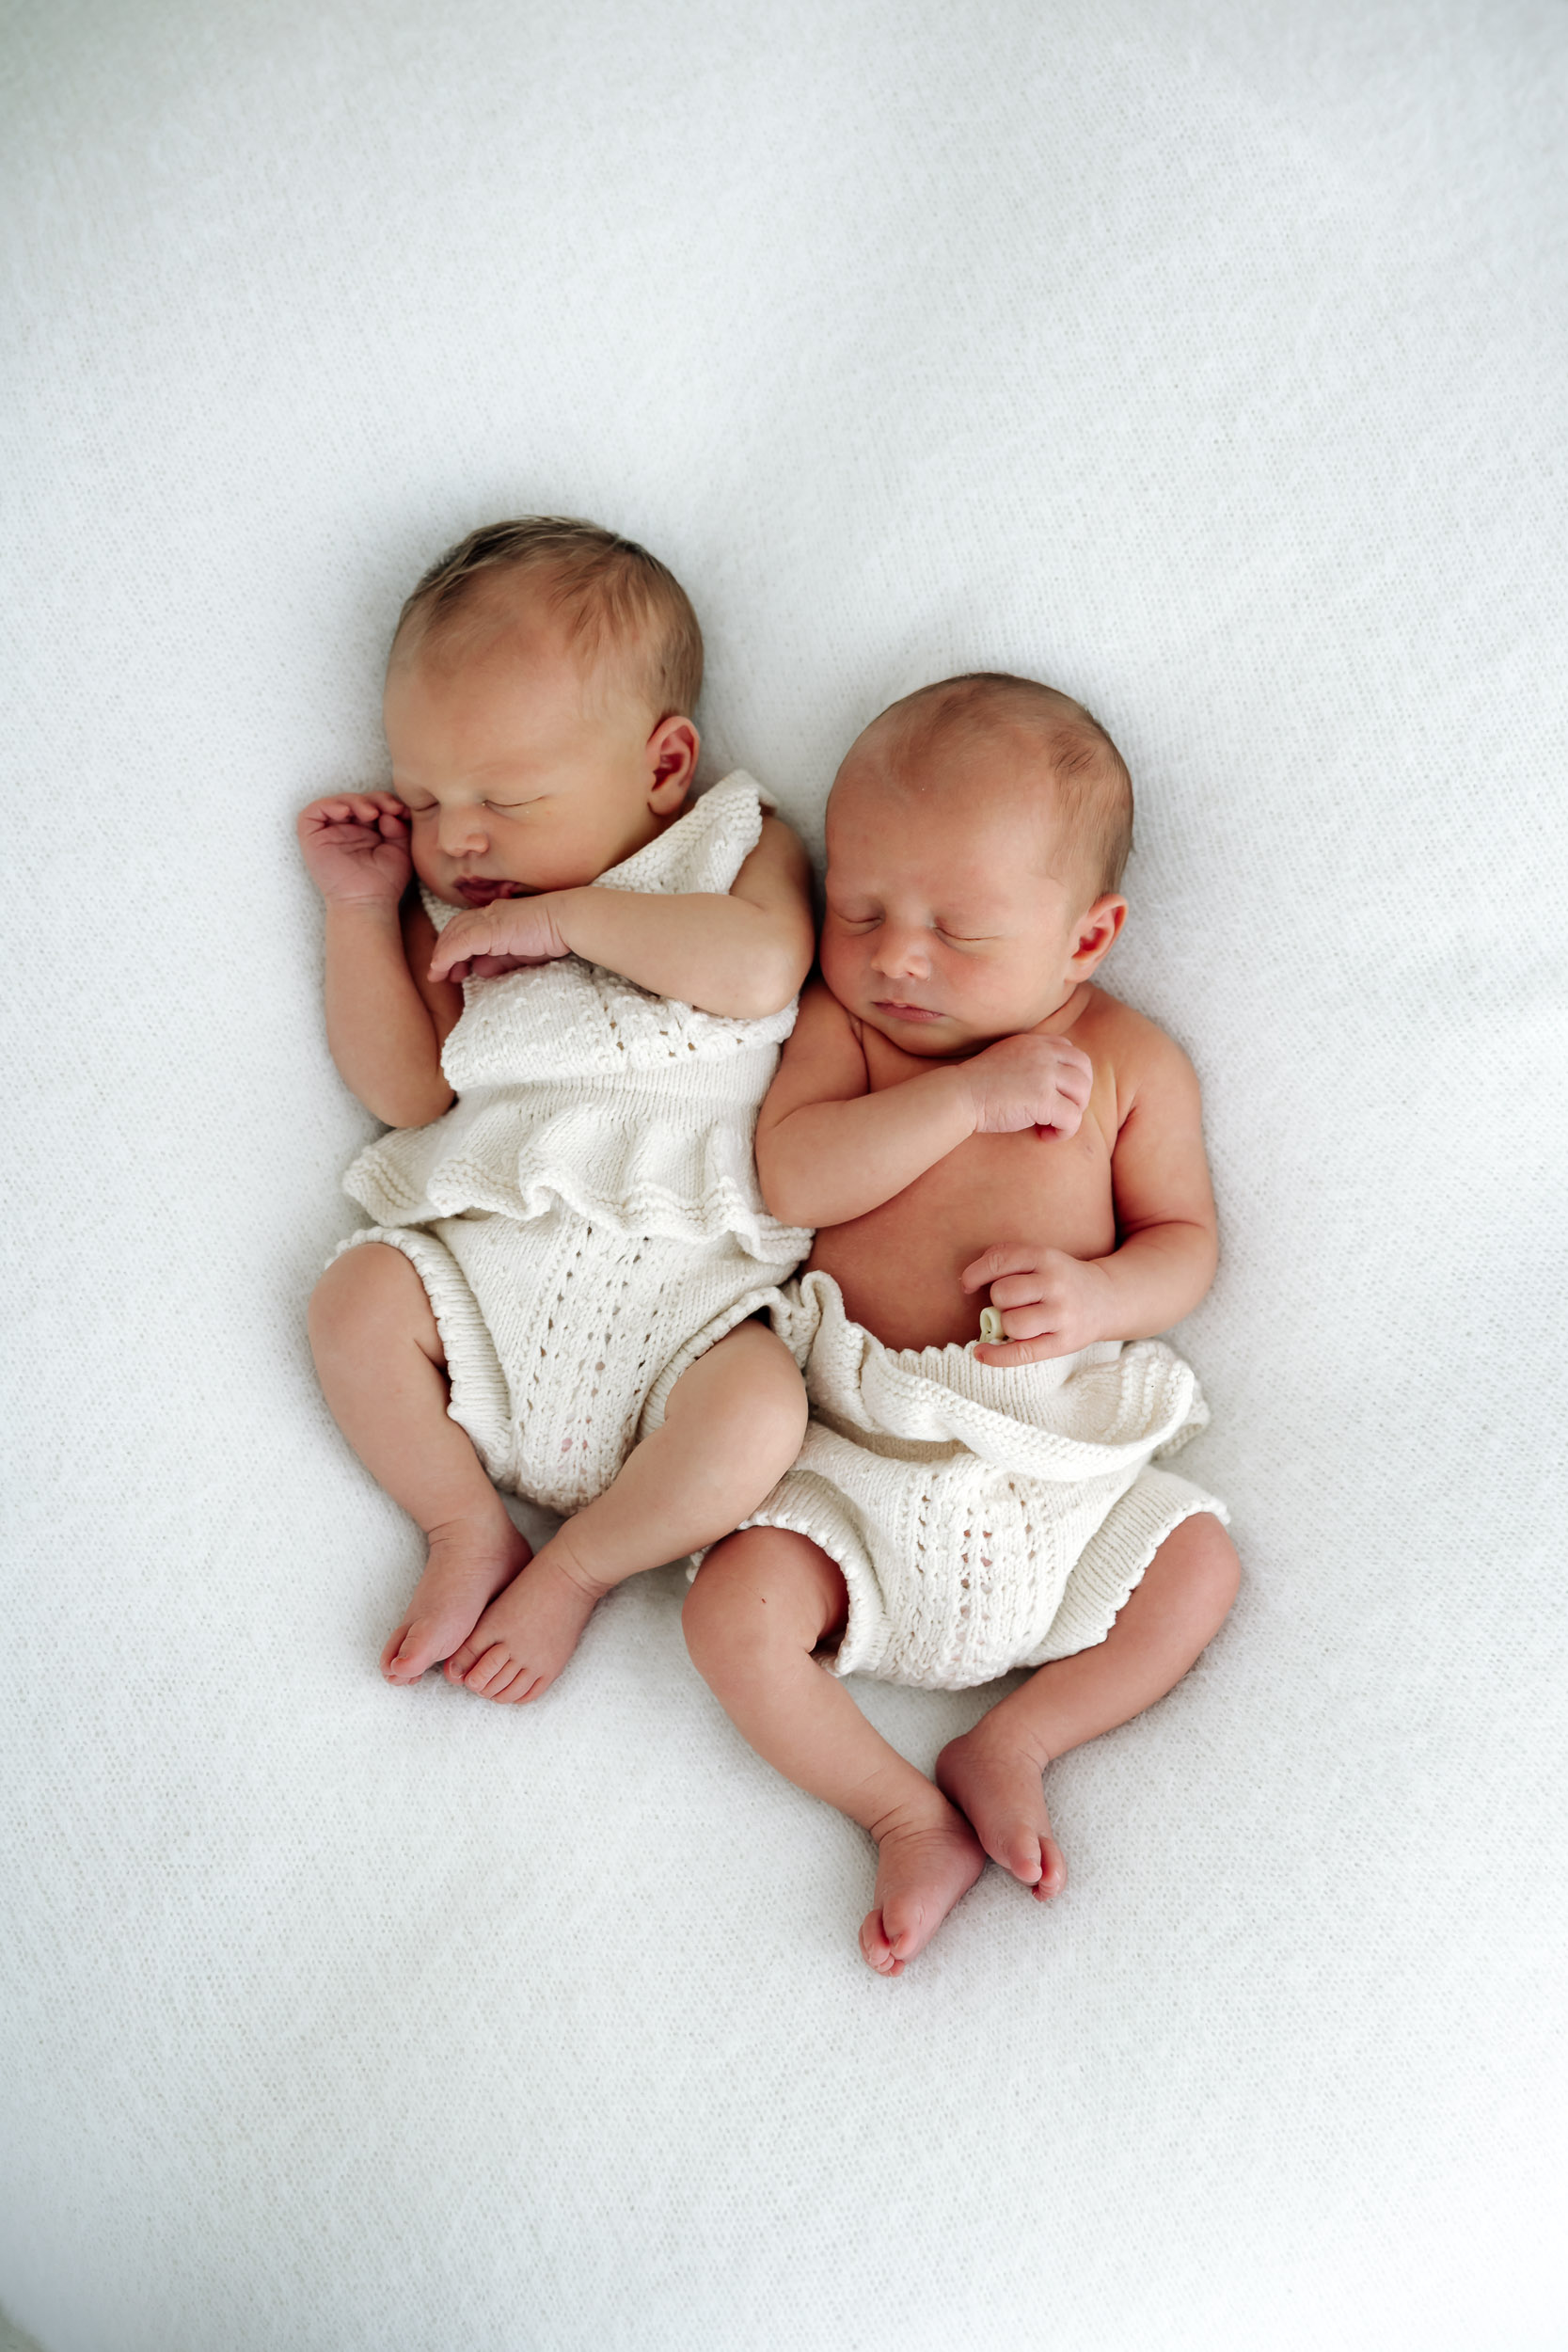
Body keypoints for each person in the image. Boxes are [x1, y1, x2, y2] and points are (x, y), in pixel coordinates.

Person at [682, 674, 1240, 1973]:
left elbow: (1185, 1248)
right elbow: (793, 1179)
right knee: (728, 1612)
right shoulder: (850, 1040)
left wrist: (1101, 1295)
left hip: (1053, 1472)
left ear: (1084, 940)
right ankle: (893, 1811)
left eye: (959, 931)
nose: (895, 957)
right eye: (859, 909)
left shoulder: (1127, 1064)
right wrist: (962, 1102)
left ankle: (1019, 1740)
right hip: (858, 1462)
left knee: (1197, 1565)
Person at [300, 518, 814, 1702]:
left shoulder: (730, 846)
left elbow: (759, 971)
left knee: (761, 1411)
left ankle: (574, 1572)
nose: (458, 837)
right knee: (352, 1301)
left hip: (680, 1322)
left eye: (505, 797)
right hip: (484, 1287)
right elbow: (406, 1090)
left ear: (661, 763)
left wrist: (570, 920)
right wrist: (360, 913)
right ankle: (460, 1525)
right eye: (425, 799)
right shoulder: (460, 920)